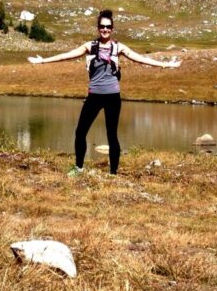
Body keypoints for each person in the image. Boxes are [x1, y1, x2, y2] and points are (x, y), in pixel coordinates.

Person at [28, 9, 180, 175]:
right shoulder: (90, 46)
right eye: (102, 26)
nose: (105, 29)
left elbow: (141, 58)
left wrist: (166, 65)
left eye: (108, 27)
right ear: (98, 28)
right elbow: (67, 55)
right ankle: (78, 168)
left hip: (113, 97)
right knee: (80, 132)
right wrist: (42, 61)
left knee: (112, 135)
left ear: (112, 29)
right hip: (94, 96)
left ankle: (113, 173)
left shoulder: (118, 47)